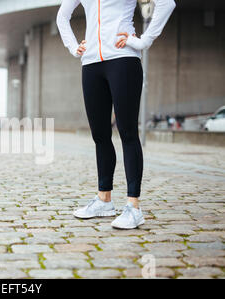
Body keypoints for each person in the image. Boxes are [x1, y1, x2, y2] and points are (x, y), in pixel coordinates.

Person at [56, 0, 176, 229]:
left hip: (123, 59)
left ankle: (133, 207)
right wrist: (74, 47)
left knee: (127, 132)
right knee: (100, 135)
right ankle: (104, 200)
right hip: (91, 63)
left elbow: (166, 3)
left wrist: (143, 41)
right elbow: (62, 16)